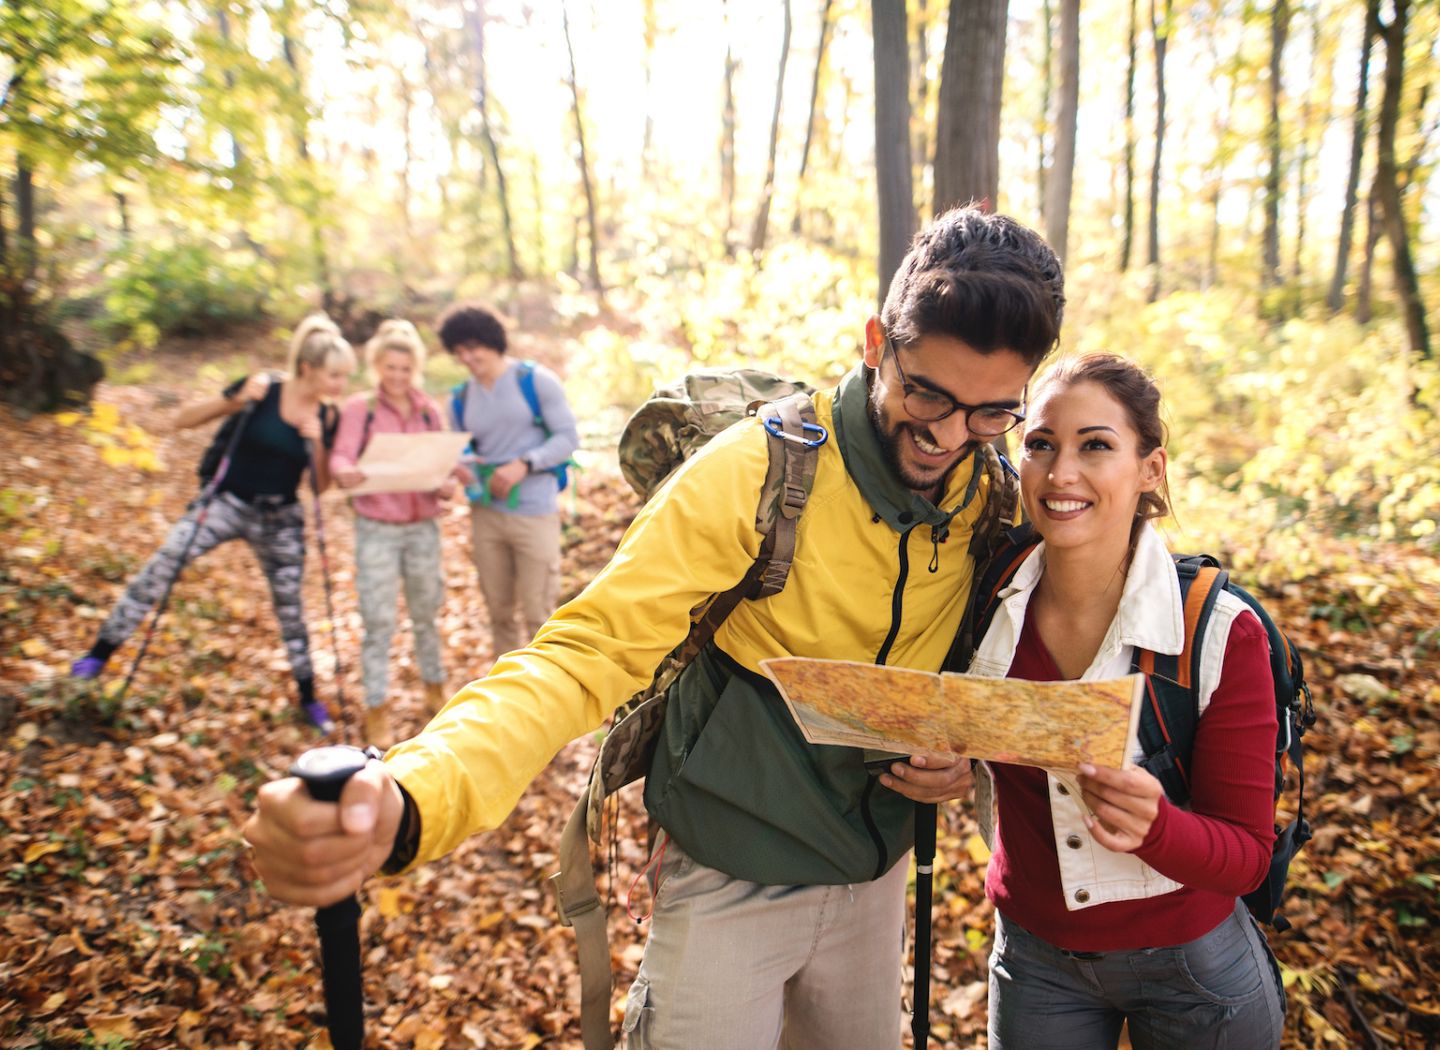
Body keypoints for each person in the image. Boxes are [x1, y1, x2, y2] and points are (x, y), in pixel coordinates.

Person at [243, 207, 1066, 1050]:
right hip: (728, 868)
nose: (945, 435)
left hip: (878, 873)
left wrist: (959, 751)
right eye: (925, 392)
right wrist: (413, 795)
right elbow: (584, 652)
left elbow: (1012, 665)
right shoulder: (761, 469)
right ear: (874, 343)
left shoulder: (990, 499)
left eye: (989, 414)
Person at [963, 353, 1286, 1049]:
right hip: (1035, 962)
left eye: (1096, 446)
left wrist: (1159, 827)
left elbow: (1249, 856)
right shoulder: (985, 597)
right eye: (1040, 444)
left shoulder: (1219, 633)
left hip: (1193, 972)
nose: (1060, 473)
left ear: (1151, 471)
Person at [70, 314, 355, 733]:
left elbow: (321, 486)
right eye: (334, 375)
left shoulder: (328, 417)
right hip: (227, 502)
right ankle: (98, 653)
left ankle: (309, 695)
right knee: (164, 563)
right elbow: (184, 419)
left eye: (346, 377)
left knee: (291, 608)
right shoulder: (262, 390)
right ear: (308, 369)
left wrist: (315, 441)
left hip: (280, 516)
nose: (340, 386)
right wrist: (235, 399)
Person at [330, 320, 457, 748]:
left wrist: (446, 483)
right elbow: (342, 455)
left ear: (415, 368)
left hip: (422, 526)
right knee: (378, 620)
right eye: (390, 367)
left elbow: (443, 466)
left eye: (405, 368)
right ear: (377, 367)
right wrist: (344, 472)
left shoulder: (427, 411)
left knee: (426, 613)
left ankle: (434, 688)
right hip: (377, 529)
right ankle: (376, 706)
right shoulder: (360, 409)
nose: (398, 376)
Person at [438, 303, 580, 658]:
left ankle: (548, 695)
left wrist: (525, 464)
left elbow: (567, 438)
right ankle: (508, 695)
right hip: (486, 514)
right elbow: (460, 451)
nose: (467, 357)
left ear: (492, 341)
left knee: (538, 612)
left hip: (534, 512)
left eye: (473, 347)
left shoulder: (534, 382)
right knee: (499, 612)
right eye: (459, 351)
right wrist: (462, 468)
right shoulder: (459, 399)